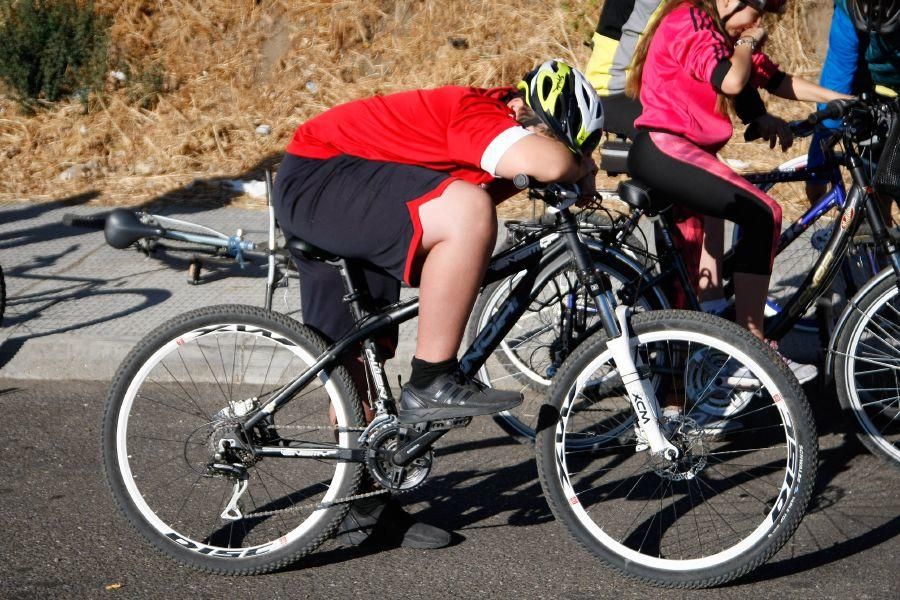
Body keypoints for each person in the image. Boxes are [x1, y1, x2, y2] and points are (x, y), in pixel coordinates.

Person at [273, 60, 602, 548]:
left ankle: (362, 505)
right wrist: (581, 164)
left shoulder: (497, 131)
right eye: (549, 136)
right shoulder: (478, 112)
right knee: (468, 209)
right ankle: (432, 380)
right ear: (518, 109)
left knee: (357, 360)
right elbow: (552, 164)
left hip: (359, 180)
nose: (548, 151)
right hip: (322, 177)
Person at [624, 0, 852, 382]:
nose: (761, 22)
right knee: (763, 213)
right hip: (667, 148)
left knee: (684, 292)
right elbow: (730, 80)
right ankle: (751, 347)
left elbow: (775, 79)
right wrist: (747, 42)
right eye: (760, 9)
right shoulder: (691, 18)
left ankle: (682, 398)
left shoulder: (716, 31)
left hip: (685, 153)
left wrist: (843, 101)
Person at [805, 0, 899, 227]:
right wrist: (820, 152)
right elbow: (838, 78)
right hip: (872, 94)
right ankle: (881, 250)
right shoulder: (849, 9)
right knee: (875, 190)